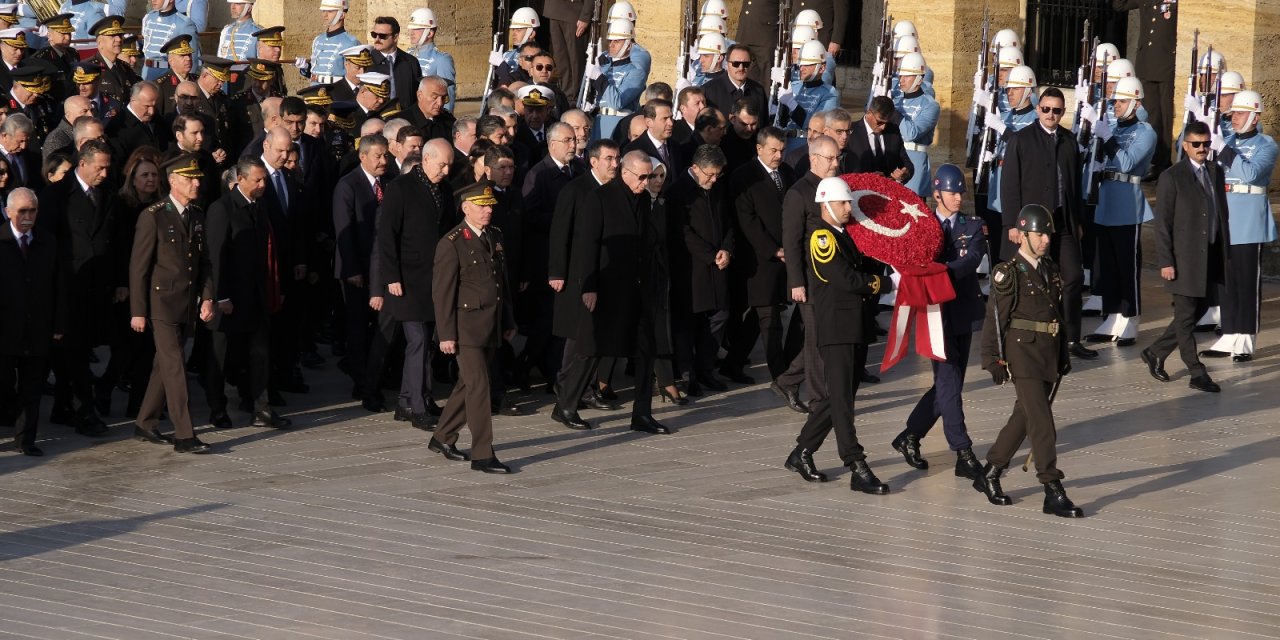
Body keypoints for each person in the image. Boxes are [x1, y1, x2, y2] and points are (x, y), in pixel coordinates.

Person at [784, 177, 892, 494]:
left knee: (839, 397)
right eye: (844, 203)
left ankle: (802, 452)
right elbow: (842, 277)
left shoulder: (845, 234)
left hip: (853, 325)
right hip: (837, 327)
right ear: (827, 204)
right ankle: (855, 463)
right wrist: (884, 284)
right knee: (843, 400)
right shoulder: (822, 237)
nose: (849, 208)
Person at [976, 204, 1082, 518]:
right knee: (1042, 423)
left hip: (1047, 353)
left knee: (1023, 418)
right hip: (1022, 355)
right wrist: (993, 358)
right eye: (1038, 234)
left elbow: (1056, 317)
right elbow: (995, 318)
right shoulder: (1008, 272)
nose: (1045, 240)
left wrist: (1063, 353)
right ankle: (1051, 487)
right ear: (1022, 236)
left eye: (1047, 234)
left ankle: (990, 472)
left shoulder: (1049, 268)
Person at [890, 164, 987, 478]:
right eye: (951, 191)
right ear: (936, 193)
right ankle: (963, 451)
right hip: (934, 312)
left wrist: (939, 271)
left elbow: (972, 260)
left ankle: (910, 436)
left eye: (960, 191)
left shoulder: (973, 225)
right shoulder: (922, 224)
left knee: (951, 383)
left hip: (962, 310)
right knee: (948, 381)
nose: (958, 197)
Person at [573, 150, 673, 434]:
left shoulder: (642, 200)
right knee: (593, 349)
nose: (647, 182)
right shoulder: (600, 198)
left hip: (638, 288)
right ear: (625, 173)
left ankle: (641, 413)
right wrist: (588, 286)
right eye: (642, 177)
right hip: (607, 287)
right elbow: (588, 244)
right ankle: (566, 403)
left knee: (646, 349)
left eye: (650, 176)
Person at [999, 87, 1096, 360]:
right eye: (1046, 109)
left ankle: (1071, 338)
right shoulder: (1021, 139)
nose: (1050, 114)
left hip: (1064, 222)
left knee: (1073, 276)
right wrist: (1012, 224)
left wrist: (1077, 220)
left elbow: (1075, 184)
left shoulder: (1069, 140)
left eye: (1056, 110)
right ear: (1037, 108)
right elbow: (1010, 185)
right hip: (1031, 225)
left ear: (1063, 113)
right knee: (1033, 279)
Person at [129, 153, 216, 454]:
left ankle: (146, 421)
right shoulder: (153, 215)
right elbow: (138, 267)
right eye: (190, 179)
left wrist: (207, 296)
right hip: (161, 302)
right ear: (173, 181)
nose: (196, 184)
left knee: (163, 366)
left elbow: (204, 263)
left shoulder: (197, 214)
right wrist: (138, 311)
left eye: (197, 179)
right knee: (175, 365)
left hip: (187, 302)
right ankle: (184, 434)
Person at [431, 180, 516, 473]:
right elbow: (443, 293)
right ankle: (483, 454)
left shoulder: (495, 235)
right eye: (481, 206)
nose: (487, 211)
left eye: (490, 205)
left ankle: (442, 436)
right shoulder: (452, 243)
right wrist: (446, 334)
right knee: (480, 387)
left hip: (490, 324)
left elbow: (500, 284)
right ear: (466, 208)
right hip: (465, 328)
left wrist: (508, 321)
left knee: (468, 385)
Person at [202, 155, 292, 429]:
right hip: (229, 297)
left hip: (256, 294)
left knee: (260, 353)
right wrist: (221, 296)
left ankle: (261, 408)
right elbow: (215, 256)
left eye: (264, 179)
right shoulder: (221, 209)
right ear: (239, 180)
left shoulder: (259, 206)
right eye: (257, 180)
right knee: (221, 355)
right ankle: (217, 408)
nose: (263, 184)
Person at [1141, 121, 1230, 393]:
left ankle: (1155, 351)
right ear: (1185, 145)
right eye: (1196, 144)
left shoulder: (1215, 172)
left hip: (1211, 255)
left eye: (1206, 144)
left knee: (1195, 313)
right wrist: (1166, 261)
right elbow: (1163, 223)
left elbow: (1220, 213)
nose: (1202, 149)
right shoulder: (1172, 177)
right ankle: (1196, 371)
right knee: (1186, 315)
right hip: (1184, 258)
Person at [1078, 76, 1157, 346]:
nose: (1116, 106)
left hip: (1127, 202)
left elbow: (1126, 162)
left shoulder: (1145, 132)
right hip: (1105, 199)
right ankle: (1112, 314)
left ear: (1136, 102)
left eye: (1122, 101)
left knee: (1127, 264)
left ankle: (1130, 317)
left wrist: (1107, 136)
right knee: (1107, 265)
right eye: (1114, 101)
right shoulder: (1109, 127)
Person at [380, 139, 453, 429]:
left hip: (435, 279)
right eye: (442, 164)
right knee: (418, 342)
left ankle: (409, 398)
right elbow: (387, 235)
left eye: (449, 165)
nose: (446, 171)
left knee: (429, 342)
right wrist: (391, 276)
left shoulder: (444, 189)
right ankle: (416, 407)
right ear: (426, 159)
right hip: (408, 279)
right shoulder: (401, 188)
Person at [1199, 91, 1276, 362]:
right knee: (1225, 281)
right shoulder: (1225, 140)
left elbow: (1253, 174)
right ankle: (1229, 332)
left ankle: (1246, 336)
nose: (1234, 118)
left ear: (1255, 117)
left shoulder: (1266, 144)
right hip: (1223, 216)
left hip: (1249, 218)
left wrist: (1224, 150)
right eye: (1232, 114)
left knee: (1245, 282)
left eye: (1240, 114)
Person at [724, 126, 795, 397]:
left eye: (782, 150)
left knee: (760, 313)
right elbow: (746, 220)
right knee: (770, 316)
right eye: (773, 150)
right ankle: (781, 375)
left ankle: (732, 363)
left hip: (784, 255)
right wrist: (773, 250)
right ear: (759, 148)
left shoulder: (787, 173)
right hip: (759, 259)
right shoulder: (744, 176)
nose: (778, 155)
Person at [1, 187, 68, 455]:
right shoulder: (1, 240)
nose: (28, 217)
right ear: (8, 212)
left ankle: (25, 440)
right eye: (22, 211)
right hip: (5, 329)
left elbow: (59, 284)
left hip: (37, 327)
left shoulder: (47, 241)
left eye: (32, 211)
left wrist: (59, 324)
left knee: (32, 387)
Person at [98, 150, 162, 418]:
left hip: (153, 285)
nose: (150, 179)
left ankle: (138, 404)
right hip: (128, 287)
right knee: (126, 348)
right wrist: (121, 283)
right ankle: (104, 388)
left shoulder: (160, 206)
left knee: (147, 350)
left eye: (154, 175)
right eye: (144, 175)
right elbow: (120, 249)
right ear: (132, 179)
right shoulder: (122, 205)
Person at [668, 144, 733, 391]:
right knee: (688, 324)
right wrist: (710, 255)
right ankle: (687, 375)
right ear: (695, 168)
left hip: (717, 266)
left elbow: (727, 222)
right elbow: (682, 232)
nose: (714, 179)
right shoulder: (678, 192)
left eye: (718, 174)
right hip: (692, 269)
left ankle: (706, 368)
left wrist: (727, 249)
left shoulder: (716, 187)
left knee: (719, 316)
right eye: (710, 174)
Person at [333, 134, 390, 410]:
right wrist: (353, 269)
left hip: (381, 269)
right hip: (357, 270)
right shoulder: (348, 185)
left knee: (379, 328)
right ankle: (360, 380)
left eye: (385, 155)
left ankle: (374, 378)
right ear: (363, 156)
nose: (383, 161)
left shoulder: (388, 183)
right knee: (357, 328)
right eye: (377, 156)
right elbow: (344, 231)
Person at [1112, 0, 1176, 177]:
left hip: (1167, 64)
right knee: (1152, 116)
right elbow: (1119, 5)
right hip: (1146, 63)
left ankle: (1165, 164)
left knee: (1166, 117)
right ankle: (1155, 163)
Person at [585, 19, 648, 141]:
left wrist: (598, 77)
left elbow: (617, 102)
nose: (611, 45)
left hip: (618, 123)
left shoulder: (635, 71)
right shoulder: (603, 66)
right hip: (597, 122)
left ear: (628, 44)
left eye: (617, 41)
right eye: (610, 41)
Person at [894, 52, 940, 198]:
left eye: (907, 76)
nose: (902, 80)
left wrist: (894, 114)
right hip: (894, 158)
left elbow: (911, 133)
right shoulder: (895, 101)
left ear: (919, 79)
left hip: (915, 159)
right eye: (901, 76)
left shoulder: (930, 106)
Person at [701, 44, 768, 130]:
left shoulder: (758, 91)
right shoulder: (709, 91)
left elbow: (764, 126)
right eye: (736, 64)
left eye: (746, 64)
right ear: (727, 63)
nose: (741, 68)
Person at [406, 8, 456, 113]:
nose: (411, 33)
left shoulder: (442, 59)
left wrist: (445, 122)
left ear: (429, 33)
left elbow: (447, 95)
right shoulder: (408, 54)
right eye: (411, 29)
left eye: (417, 29)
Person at [140, 0, 202, 82]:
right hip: (147, 72)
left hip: (169, 76)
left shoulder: (184, 23)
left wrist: (187, 82)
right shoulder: (148, 18)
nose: (153, 0)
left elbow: (192, 59)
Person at [369, 16, 422, 111]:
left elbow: (417, 95)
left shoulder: (411, 62)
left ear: (396, 37)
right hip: (376, 121)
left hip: (405, 120)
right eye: (374, 34)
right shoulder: (367, 62)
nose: (377, 39)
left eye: (382, 36)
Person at [543, 0, 592, 101]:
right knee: (561, 59)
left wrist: (586, 14)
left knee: (575, 61)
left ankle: (576, 100)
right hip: (554, 9)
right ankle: (565, 98)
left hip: (574, 10)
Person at [86, 15, 138, 104]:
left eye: (120, 35)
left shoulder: (125, 67)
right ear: (100, 42)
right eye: (112, 36)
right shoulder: (88, 68)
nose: (118, 39)